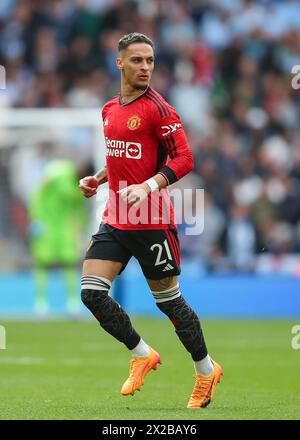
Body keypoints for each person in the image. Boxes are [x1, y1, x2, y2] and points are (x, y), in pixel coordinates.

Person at [79, 32, 222, 409]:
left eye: (150, 61)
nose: (145, 67)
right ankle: (142, 353)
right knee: (91, 294)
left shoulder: (160, 109)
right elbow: (120, 158)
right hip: (116, 217)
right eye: (138, 60)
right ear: (120, 63)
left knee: (169, 302)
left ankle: (206, 371)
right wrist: (98, 177)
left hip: (152, 220)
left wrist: (147, 186)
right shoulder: (110, 109)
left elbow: (184, 159)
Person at [29, 159, 88, 316]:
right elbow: (39, 192)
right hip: (46, 223)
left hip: (65, 228)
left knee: (69, 262)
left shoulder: (83, 186)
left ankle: (73, 303)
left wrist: (79, 230)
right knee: (43, 262)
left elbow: (78, 210)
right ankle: (40, 303)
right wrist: (35, 218)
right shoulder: (57, 172)